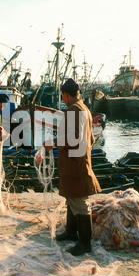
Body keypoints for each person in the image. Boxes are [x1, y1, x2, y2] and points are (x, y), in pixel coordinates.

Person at [44, 78, 101, 256]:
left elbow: (72, 138)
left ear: (67, 95)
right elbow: (91, 138)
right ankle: (71, 232)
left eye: (63, 95)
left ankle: (85, 244)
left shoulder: (73, 110)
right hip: (78, 160)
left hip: (75, 163)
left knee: (80, 202)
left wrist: (52, 142)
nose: (63, 98)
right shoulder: (85, 109)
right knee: (71, 197)